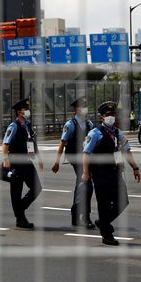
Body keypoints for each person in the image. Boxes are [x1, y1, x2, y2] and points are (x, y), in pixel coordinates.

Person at [81, 101, 141, 246]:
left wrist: (135, 167)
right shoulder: (95, 133)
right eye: (108, 115)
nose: (111, 117)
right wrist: (85, 173)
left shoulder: (118, 133)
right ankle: (107, 235)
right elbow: (86, 153)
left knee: (123, 201)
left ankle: (102, 221)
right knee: (104, 204)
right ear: (102, 117)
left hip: (115, 172)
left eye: (113, 114)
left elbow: (127, 151)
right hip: (100, 173)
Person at [51, 96, 95, 229]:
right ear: (76, 109)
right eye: (82, 106)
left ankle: (75, 215)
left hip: (87, 158)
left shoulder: (89, 124)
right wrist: (57, 162)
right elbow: (62, 144)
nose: (85, 109)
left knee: (81, 185)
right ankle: (85, 217)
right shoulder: (70, 125)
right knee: (87, 185)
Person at [2, 98, 43, 229]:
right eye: (25, 109)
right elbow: (5, 144)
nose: (27, 111)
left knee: (37, 188)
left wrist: (39, 158)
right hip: (16, 163)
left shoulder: (28, 125)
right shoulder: (13, 126)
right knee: (16, 192)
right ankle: (20, 219)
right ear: (19, 112)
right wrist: (6, 160)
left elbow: (32, 143)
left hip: (27, 161)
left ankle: (20, 208)